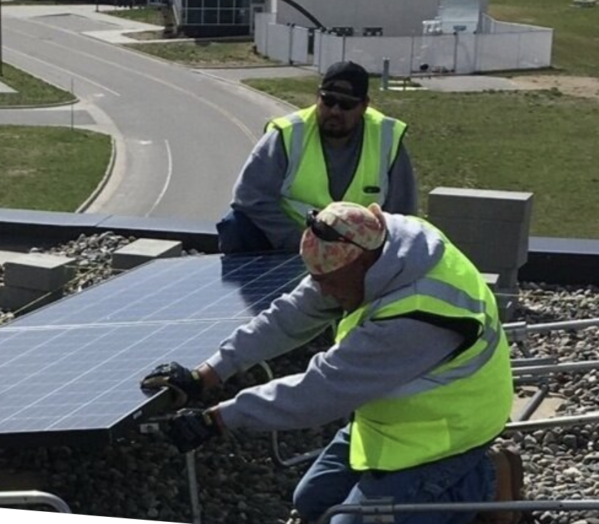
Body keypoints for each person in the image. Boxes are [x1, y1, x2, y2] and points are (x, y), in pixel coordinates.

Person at [143, 201, 522, 524]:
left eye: (330, 281)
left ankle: (488, 478)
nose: (322, 290)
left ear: (365, 263)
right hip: (396, 422)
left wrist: (218, 419)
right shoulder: (375, 245)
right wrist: (206, 374)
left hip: (450, 431)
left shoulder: (419, 316)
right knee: (312, 502)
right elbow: (292, 314)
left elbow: (319, 392)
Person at [217, 60, 417, 254]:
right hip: (291, 238)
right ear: (317, 96)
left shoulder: (386, 139)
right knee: (236, 225)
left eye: (346, 104)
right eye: (328, 100)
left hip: (357, 249)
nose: (335, 111)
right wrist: (299, 243)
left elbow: (401, 218)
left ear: (364, 105)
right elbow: (249, 197)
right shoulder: (288, 134)